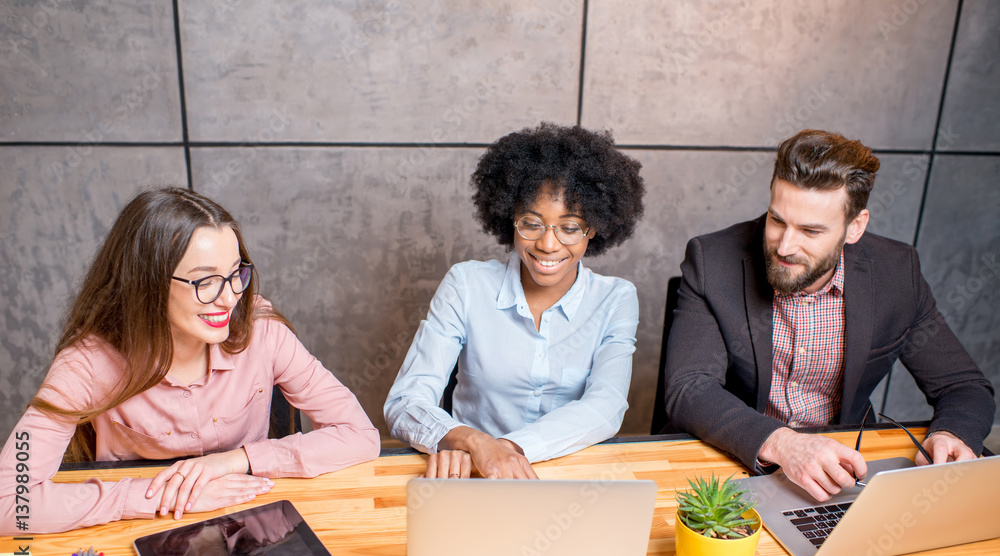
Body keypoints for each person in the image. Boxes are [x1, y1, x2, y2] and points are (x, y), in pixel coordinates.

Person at [0, 187, 380, 534]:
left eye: (235, 274)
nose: (230, 298)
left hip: (250, 524)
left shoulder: (262, 332)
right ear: (145, 283)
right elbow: (8, 503)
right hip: (134, 530)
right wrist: (162, 495)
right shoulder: (87, 363)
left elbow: (360, 436)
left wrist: (237, 461)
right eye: (205, 282)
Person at [663, 129, 995, 502]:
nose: (785, 246)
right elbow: (689, 387)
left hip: (847, 470)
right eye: (777, 221)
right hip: (736, 459)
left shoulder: (897, 272)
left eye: (810, 230)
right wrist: (784, 444)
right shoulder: (714, 260)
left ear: (855, 227)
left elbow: (963, 386)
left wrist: (952, 433)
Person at [384, 123, 645, 479]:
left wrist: (507, 448)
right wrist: (476, 443)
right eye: (531, 223)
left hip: (565, 479)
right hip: (473, 473)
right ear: (510, 217)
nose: (548, 245)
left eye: (569, 227)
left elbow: (606, 406)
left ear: (594, 228)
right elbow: (404, 403)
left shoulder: (615, 299)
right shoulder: (467, 284)